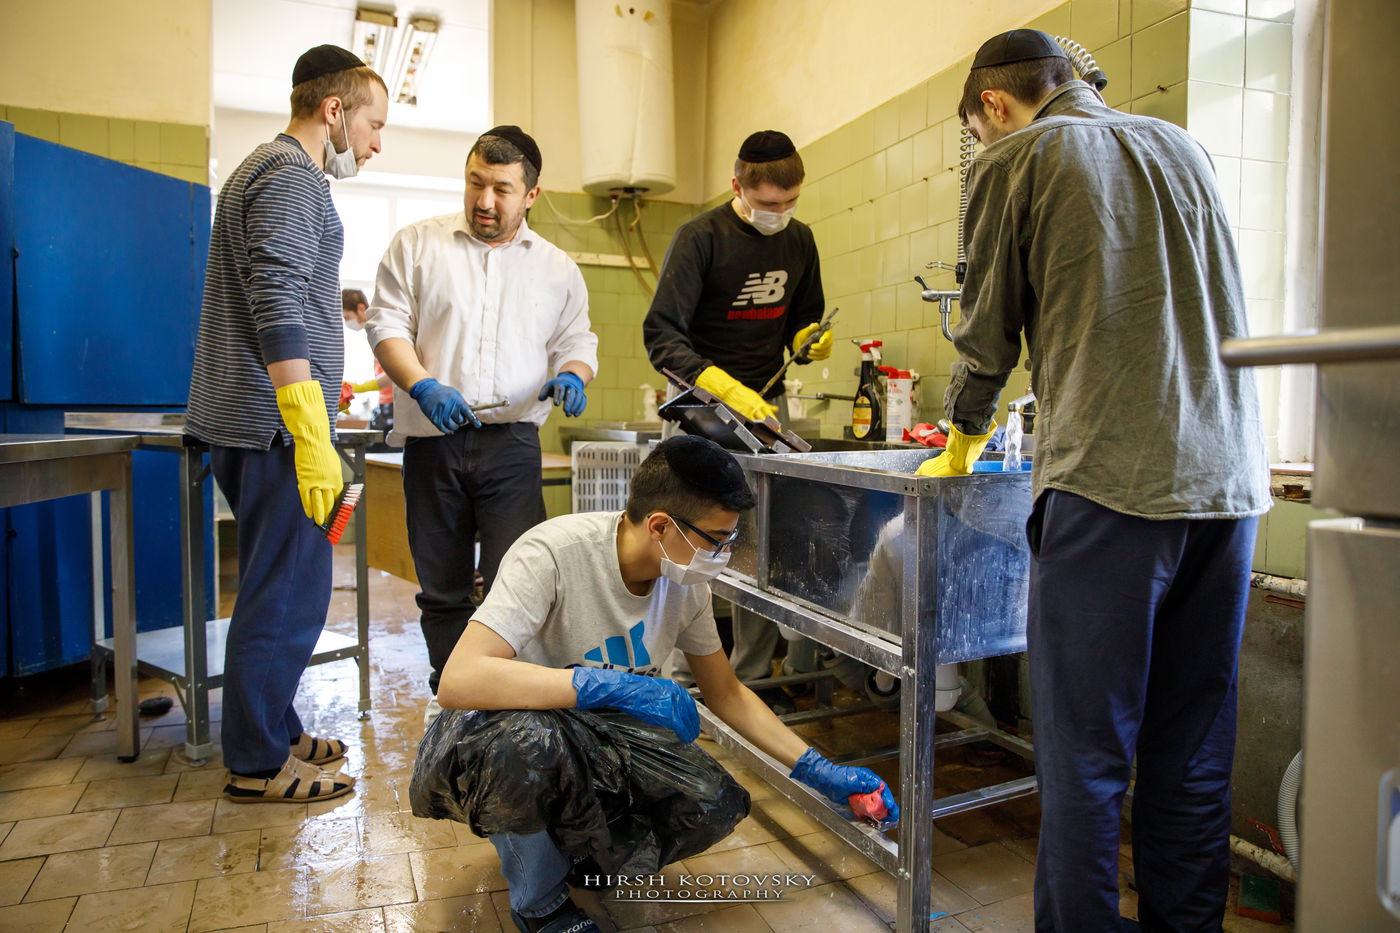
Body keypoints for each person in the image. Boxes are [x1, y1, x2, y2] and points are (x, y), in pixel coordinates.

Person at [929, 29, 1270, 932]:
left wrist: (961, 433)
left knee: (1086, 755)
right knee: (1193, 748)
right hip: (1229, 484)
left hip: (1112, 486)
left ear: (993, 104)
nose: (982, 143)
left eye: (979, 129)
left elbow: (988, 333)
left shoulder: (1018, 157)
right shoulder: (1183, 147)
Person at [434, 435, 900, 933]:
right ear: (660, 525)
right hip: (504, 735)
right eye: (715, 539)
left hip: (600, 738)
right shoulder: (552, 554)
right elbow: (460, 680)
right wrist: (606, 687)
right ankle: (540, 903)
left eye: (729, 540)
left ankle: (577, 852)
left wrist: (817, 769)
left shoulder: (684, 583)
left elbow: (726, 693)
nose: (722, 553)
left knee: (711, 800)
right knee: (524, 743)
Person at [185, 45, 389, 803]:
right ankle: (257, 762)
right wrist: (308, 428)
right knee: (289, 594)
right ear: (334, 111)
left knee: (278, 582)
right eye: (373, 124)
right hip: (274, 427)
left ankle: (275, 725)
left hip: (258, 421)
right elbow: (275, 296)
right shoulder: (291, 175)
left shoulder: (263, 170)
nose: (375, 143)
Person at [366, 126, 598, 719]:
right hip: (433, 443)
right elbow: (386, 325)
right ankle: (455, 705)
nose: (485, 201)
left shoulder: (557, 268)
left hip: (511, 447)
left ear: (532, 195)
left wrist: (573, 374)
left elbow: (576, 341)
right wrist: (423, 384)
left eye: (501, 188)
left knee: (514, 587)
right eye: (475, 183)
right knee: (442, 589)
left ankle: (505, 711)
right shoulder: (417, 245)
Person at [642, 130, 832, 698]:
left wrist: (807, 339)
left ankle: (749, 679)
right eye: (768, 203)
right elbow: (661, 334)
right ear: (737, 187)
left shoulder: (800, 241)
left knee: (759, 546)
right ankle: (679, 682)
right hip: (699, 407)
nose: (779, 213)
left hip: (764, 410)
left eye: (790, 201)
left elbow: (806, 313)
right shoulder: (701, 237)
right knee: (692, 542)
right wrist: (718, 384)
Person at [339, 287, 392, 429]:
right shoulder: (373, 332)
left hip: (394, 404)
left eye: (347, 317)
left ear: (361, 308)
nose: (346, 322)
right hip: (385, 401)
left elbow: (396, 371)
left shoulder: (382, 329)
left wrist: (363, 387)